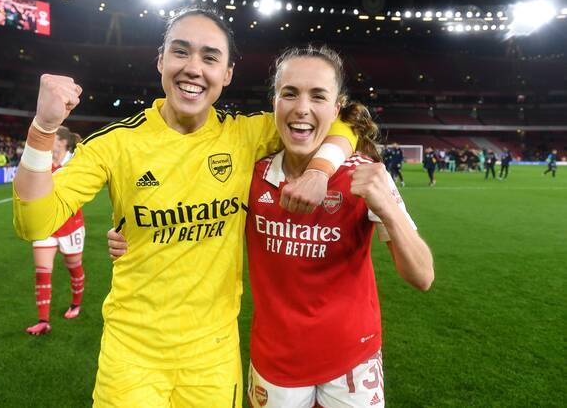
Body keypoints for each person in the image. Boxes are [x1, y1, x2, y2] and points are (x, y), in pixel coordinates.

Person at [12, 5, 358, 407]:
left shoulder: (246, 134)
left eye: (210, 58)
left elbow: (341, 122)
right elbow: (34, 223)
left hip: (213, 356)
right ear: (161, 60)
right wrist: (43, 129)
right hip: (132, 353)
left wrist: (318, 170)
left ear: (227, 74)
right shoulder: (115, 143)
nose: (193, 68)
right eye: (180, 52)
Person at [109, 45, 434, 408]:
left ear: (336, 108)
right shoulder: (250, 174)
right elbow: (189, 214)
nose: (302, 108)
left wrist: (388, 209)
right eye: (289, 93)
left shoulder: (364, 175)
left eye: (318, 96)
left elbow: (422, 276)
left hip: (352, 360)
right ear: (274, 102)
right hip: (276, 362)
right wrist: (132, 235)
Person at [26, 126, 86, 335]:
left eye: (50, 137)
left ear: (61, 142)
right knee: (42, 272)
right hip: (46, 225)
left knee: (74, 266)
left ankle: (76, 304)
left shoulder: (76, 162)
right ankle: (43, 320)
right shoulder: (41, 161)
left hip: (71, 225)